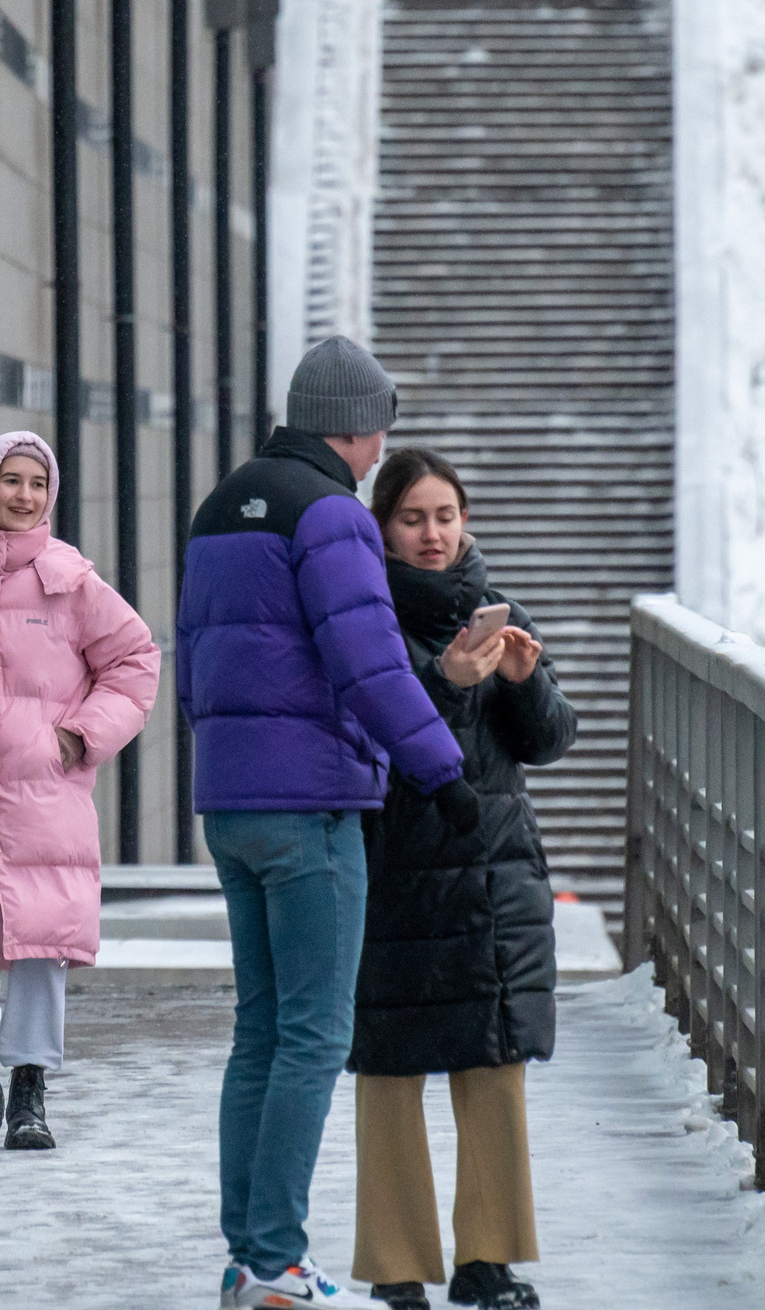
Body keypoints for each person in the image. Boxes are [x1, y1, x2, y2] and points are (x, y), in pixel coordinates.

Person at [178, 336, 479, 1310]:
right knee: (313, 1033)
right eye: (378, 423)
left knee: (260, 1030)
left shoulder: (222, 504)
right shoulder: (333, 513)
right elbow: (369, 659)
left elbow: (193, 656)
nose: (380, 440)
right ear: (353, 425)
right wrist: (440, 766)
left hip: (231, 800)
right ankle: (276, 1262)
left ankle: (247, 1256)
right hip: (309, 805)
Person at [352, 450, 576, 1310]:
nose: (433, 533)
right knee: (391, 1071)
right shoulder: (365, 615)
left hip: (492, 869)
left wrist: (522, 683)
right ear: (382, 527)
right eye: (413, 517)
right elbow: (386, 741)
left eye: (446, 515)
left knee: (494, 1063)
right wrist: (445, 683)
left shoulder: (498, 608)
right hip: (398, 864)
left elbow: (551, 739)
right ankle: (398, 1265)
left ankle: (489, 1258)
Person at [0, 431, 161, 1150]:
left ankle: (30, 1086)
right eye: (11, 480)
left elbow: (135, 659)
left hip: (45, 794)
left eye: (36, 483)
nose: (24, 495)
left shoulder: (69, 578)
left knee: (39, 944)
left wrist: (82, 734)